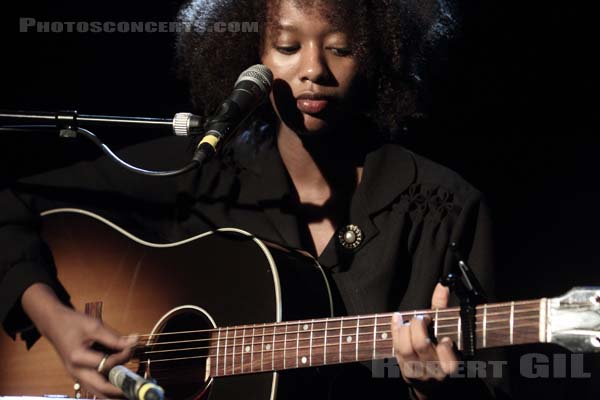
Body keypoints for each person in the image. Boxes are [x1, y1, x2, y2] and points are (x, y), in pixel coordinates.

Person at [0, 0, 508, 399]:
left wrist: (429, 389)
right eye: (287, 47)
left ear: (380, 54)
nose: (314, 70)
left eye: (341, 48)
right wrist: (57, 323)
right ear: (253, 58)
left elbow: (490, 387)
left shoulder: (442, 207)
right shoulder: (199, 172)